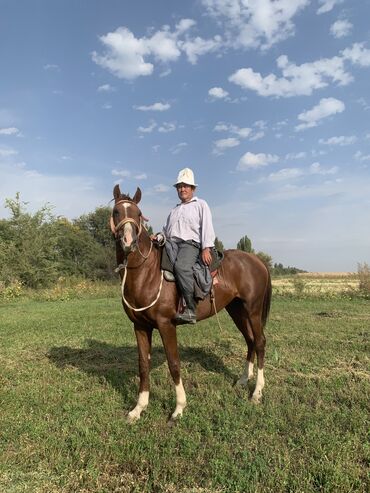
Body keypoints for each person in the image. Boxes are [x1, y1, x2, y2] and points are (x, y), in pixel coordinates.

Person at [162, 167, 215, 324]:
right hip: (171, 244)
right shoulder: (174, 210)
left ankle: (191, 309)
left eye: (185, 186)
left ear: (193, 188)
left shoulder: (201, 204)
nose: (182, 189)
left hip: (189, 245)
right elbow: (166, 231)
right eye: (179, 186)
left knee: (181, 267)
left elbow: (207, 226)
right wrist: (157, 237)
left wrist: (206, 247)